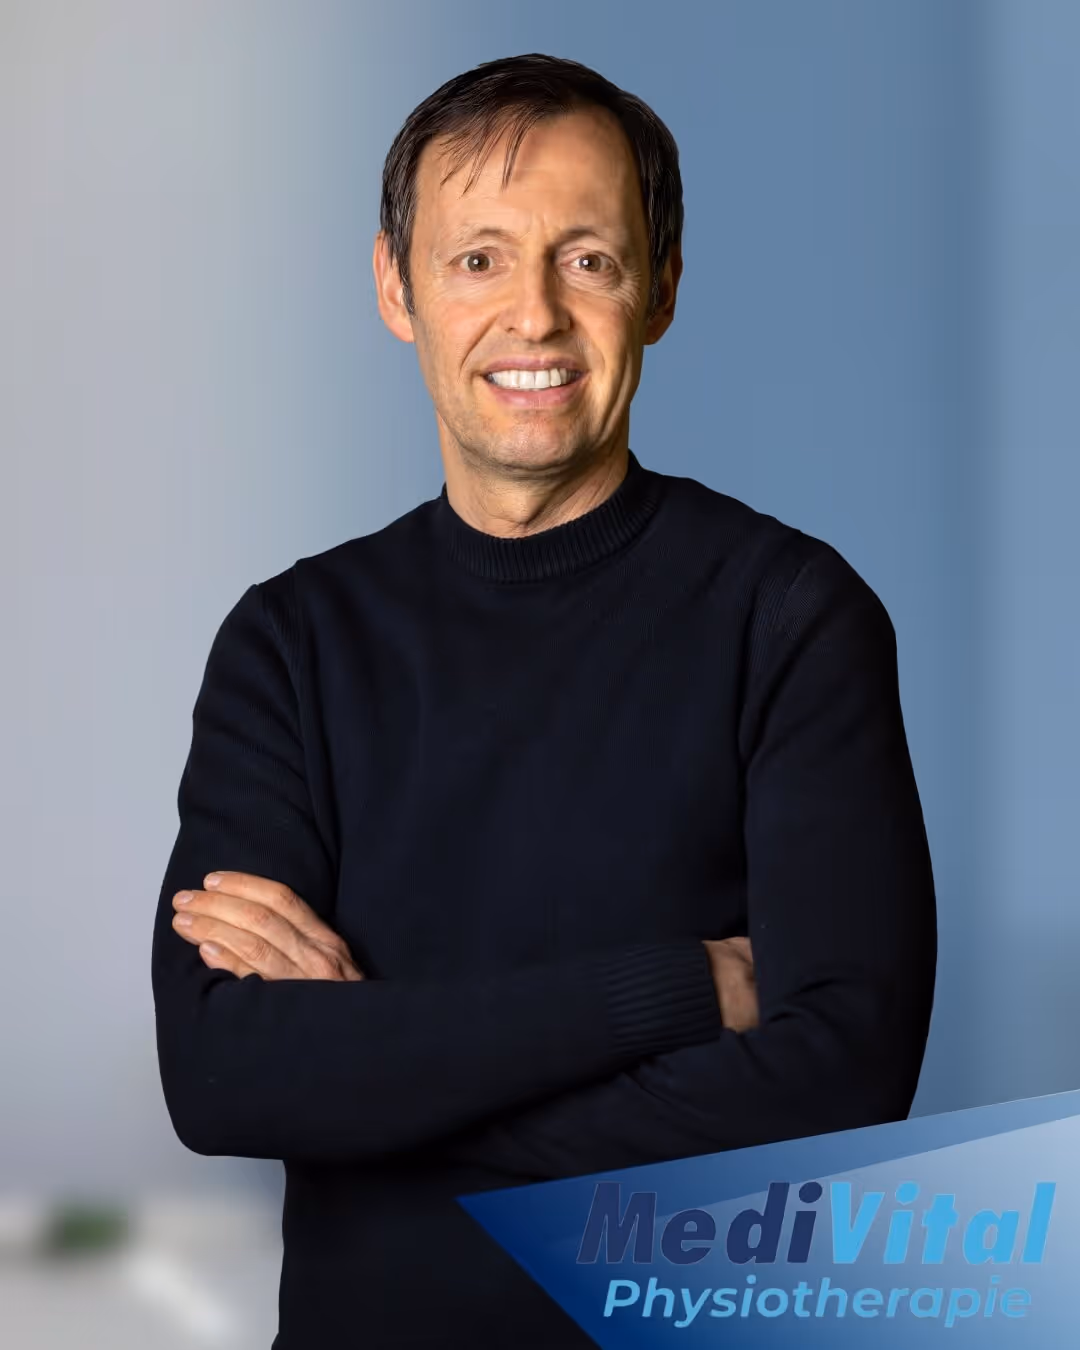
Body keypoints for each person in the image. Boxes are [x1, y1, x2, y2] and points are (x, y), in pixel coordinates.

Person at [151, 52, 937, 1350]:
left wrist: (374, 1082)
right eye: (479, 260)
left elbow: (840, 1087)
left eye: (588, 259)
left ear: (660, 289)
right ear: (396, 286)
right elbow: (223, 1075)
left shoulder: (793, 618)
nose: (536, 315)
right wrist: (679, 988)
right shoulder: (290, 643)